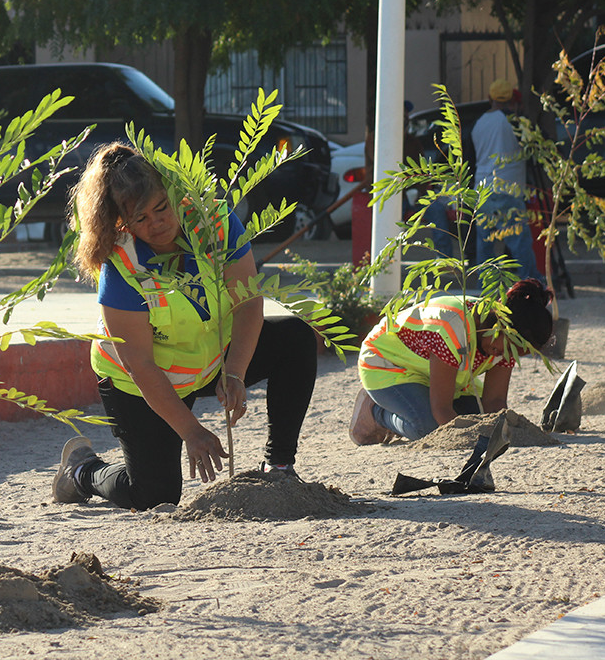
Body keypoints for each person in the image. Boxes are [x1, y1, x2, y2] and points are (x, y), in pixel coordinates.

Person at [52, 143, 318, 510]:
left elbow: (248, 303)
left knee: (295, 338)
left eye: (162, 208)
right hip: (140, 381)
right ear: (120, 223)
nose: (157, 223)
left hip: (209, 361)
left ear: (176, 194)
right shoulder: (122, 265)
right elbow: (140, 365)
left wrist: (236, 372)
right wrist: (191, 431)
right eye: (141, 219)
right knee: (154, 496)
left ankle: (279, 466)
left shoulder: (216, 223)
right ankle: (81, 471)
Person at [349, 279, 553, 445]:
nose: (507, 357)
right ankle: (377, 412)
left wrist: (504, 433)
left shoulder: (506, 344)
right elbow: (442, 409)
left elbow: (494, 403)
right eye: (510, 349)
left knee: (479, 418)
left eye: (517, 355)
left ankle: (409, 406)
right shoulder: (452, 327)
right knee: (430, 428)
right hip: (387, 366)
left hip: (440, 378)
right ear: (501, 324)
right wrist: (465, 441)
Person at [473, 79, 543, 282]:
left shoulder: (479, 123)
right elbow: (533, 147)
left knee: (484, 243)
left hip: (482, 190)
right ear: (513, 100)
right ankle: (531, 283)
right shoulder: (513, 122)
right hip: (507, 188)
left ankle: (483, 287)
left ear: (490, 98)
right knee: (519, 241)